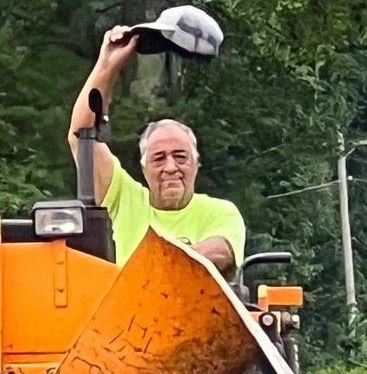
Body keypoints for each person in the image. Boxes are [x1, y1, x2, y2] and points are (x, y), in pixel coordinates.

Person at [68, 26, 246, 277]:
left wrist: (159, 266)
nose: (170, 167)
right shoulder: (122, 198)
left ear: (197, 164)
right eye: (159, 158)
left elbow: (219, 253)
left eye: (180, 156)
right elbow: (81, 135)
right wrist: (107, 65)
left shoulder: (220, 212)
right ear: (144, 168)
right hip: (127, 315)